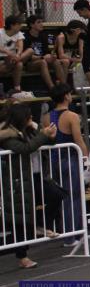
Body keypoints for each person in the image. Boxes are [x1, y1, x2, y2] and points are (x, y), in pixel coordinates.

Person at [0, 103, 57, 269]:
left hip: (34, 176)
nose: (31, 118)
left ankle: (39, 225)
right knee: (19, 219)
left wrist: (47, 134)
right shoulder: (7, 134)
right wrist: (43, 135)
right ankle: (23, 256)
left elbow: (46, 143)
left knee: (56, 195)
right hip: (16, 181)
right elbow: (26, 148)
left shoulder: (28, 129)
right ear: (21, 118)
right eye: (29, 116)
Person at [48, 84, 87, 246]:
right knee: (73, 198)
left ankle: (71, 234)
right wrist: (87, 158)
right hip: (70, 159)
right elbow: (79, 140)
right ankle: (72, 236)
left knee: (63, 197)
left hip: (54, 160)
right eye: (70, 94)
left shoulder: (46, 116)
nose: (71, 96)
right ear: (66, 96)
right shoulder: (72, 116)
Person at [25, 15, 63, 89]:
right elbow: (28, 57)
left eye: (42, 22)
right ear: (31, 25)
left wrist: (52, 56)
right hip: (30, 63)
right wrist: (42, 57)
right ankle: (52, 88)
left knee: (56, 61)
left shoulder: (43, 36)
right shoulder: (26, 37)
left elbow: (46, 52)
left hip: (43, 60)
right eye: (38, 22)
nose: (41, 24)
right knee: (43, 62)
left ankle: (63, 87)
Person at [0, 15, 28, 93]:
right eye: (18, 24)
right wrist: (7, 52)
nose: (21, 26)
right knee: (19, 64)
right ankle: (17, 89)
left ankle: (17, 89)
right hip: (2, 58)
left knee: (29, 51)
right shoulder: (0, 32)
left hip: (13, 59)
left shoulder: (19, 33)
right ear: (12, 25)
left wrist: (18, 55)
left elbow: (20, 46)